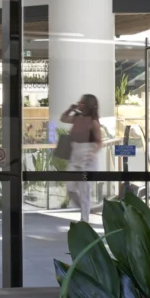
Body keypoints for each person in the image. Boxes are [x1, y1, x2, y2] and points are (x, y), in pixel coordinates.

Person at [60, 94, 102, 222]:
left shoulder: (93, 122)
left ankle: (85, 220)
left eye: (82, 102)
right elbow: (63, 118)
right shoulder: (77, 117)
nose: (79, 104)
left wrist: (92, 152)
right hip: (75, 155)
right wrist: (70, 109)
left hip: (87, 157)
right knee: (70, 188)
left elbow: (99, 141)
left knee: (85, 191)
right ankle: (86, 207)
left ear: (88, 106)